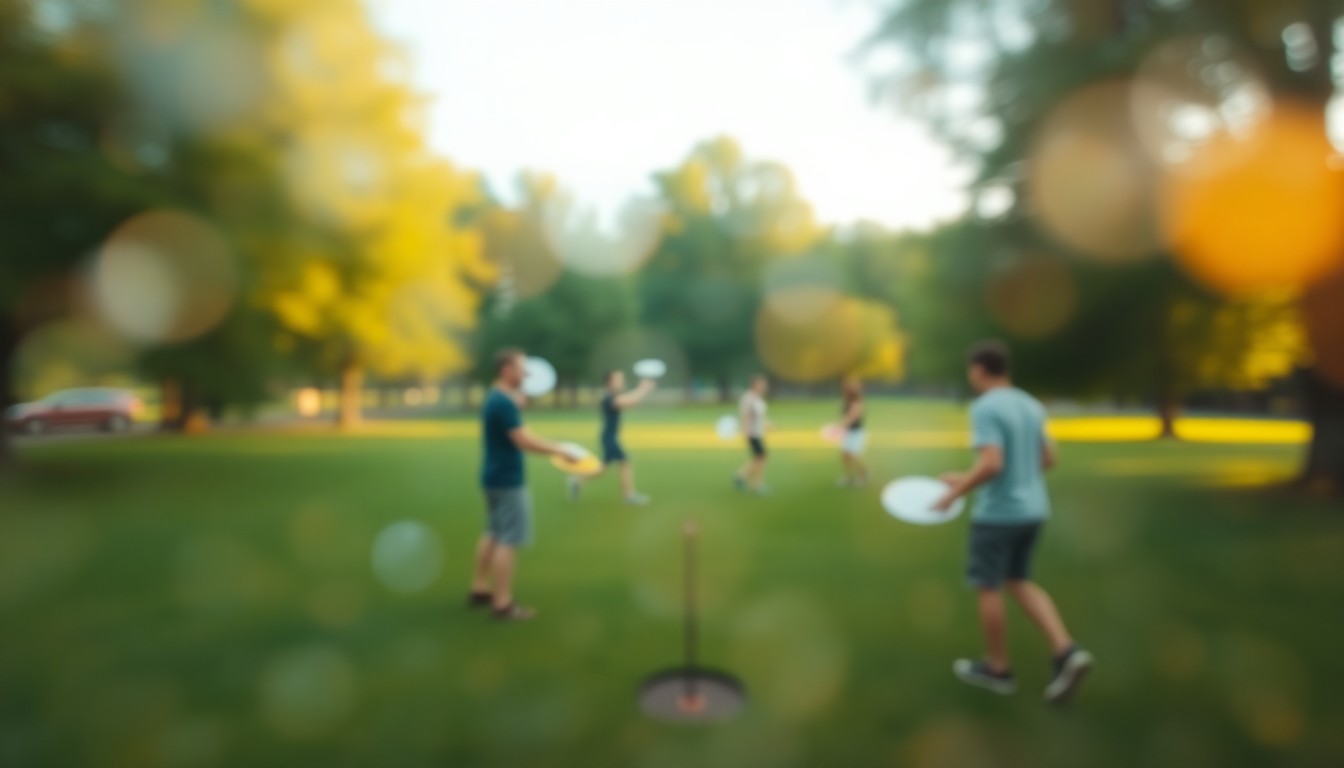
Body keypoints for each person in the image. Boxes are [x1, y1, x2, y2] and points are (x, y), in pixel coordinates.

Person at [933, 340, 1093, 703]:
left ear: (978, 369)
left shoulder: (986, 407)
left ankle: (998, 668)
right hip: (1034, 510)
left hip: (998, 515)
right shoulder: (1030, 404)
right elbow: (1050, 458)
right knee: (1018, 581)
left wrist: (954, 495)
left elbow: (992, 464)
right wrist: (966, 477)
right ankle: (1066, 651)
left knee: (988, 586)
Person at [468, 348, 578, 622]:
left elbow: (519, 431)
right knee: (509, 539)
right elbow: (524, 441)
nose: (526, 373)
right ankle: (502, 604)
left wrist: (520, 407)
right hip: (507, 481)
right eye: (521, 368)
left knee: (493, 531)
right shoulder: (503, 404)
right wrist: (560, 450)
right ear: (506, 369)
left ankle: (480, 588)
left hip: (492, 477)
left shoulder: (499, 398)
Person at [569, 370, 656, 505]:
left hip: (610, 437)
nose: (621, 382)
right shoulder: (608, 398)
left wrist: (642, 391)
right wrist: (643, 388)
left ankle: (577, 480)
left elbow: (631, 402)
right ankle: (628, 495)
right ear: (609, 382)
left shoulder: (613, 396)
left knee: (601, 469)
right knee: (625, 461)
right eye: (618, 380)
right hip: (609, 438)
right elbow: (627, 401)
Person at [734, 374, 771, 494]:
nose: (764, 386)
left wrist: (769, 425)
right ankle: (756, 484)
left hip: (758, 432)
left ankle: (741, 476)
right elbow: (746, 416)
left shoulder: (757, 398)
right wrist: (746, 432)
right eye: (762, 383)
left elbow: (759, 417)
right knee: (761, 457)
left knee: (759, 458)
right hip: (753, 433)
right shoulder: (749, 398)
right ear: (755, 384)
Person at [837, 377, 869, 487]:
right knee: (844, 455)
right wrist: (840, 426)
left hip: (856, 433)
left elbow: (853, 416)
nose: (845, 391)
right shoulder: (847, 401)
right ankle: (848, 477)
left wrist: (841, 426)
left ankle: (863, 474)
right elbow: (845, 416)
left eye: (847, 389)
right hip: (848, 433)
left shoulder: (857, 402)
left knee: (854, 455)